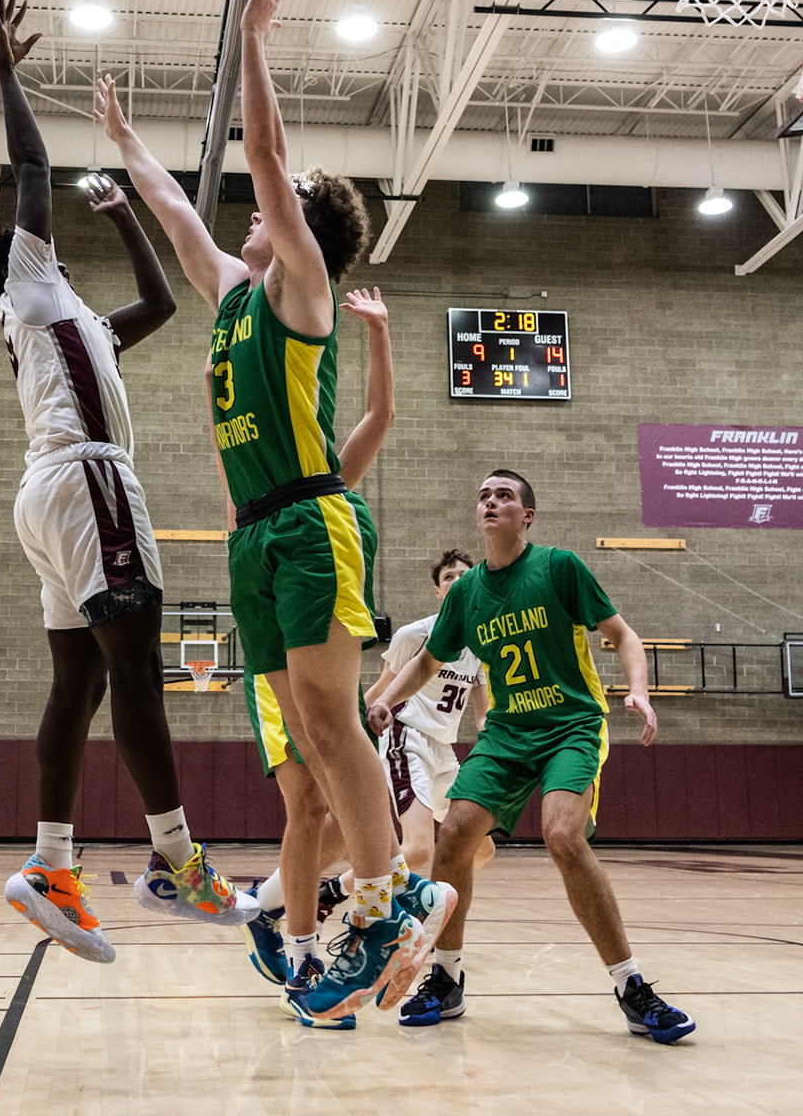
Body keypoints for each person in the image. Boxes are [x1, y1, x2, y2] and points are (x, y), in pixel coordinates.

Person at [95, 0, 452, 1024]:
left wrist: (251, 39)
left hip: (310, 517)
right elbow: (177, 216)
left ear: (300, 231)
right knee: (306, 730)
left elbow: (265, 157)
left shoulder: (303, 287)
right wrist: (126, 142)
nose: (253, 213)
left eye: (272, 209)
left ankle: (388, 902)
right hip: (253, 536)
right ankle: (376, 899)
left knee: (333, 725)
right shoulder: (234, 293)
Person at [0, 0, 252, 962]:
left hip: (50, 497)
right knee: (137, 670)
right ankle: (176, 857)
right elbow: (31, 166)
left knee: (82, 684)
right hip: (88, 484)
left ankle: (51, 862)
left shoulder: (73, 325)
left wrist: (126, 213)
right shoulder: (29, 284)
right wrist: (5, 73)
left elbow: (161, 304)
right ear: (20, 259)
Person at [372, 471, 688, 1039]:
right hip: (507, 732)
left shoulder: (559, 567)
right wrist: (386, 701)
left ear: (527, 516)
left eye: (504, 496)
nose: (491, 502)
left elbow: (623, 635)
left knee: (563, 835)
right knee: (455, 835)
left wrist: (638, 689)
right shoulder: (466, 593)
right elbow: (427, 661)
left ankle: (632, 986)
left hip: (570, 725)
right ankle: (446, 980)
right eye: (484, 496)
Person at [230, 286, 402, 1028]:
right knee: (307, 805)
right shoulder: (263, 484)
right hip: (275, 642)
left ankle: (281, 909)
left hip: (318, 635)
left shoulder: (328, 486)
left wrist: (378, 334)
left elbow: (380, 417)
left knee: (336, 801)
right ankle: (299, 952)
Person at [365, 550, 497, 882]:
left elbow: (483, 718)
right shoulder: (415, 634)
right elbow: (382, 688)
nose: (457, 581)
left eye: (464, 575)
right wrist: (345, 726)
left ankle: (430, 902)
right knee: (419, 848)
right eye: (448, 577)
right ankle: (338, 891)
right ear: (438, 591)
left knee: (482, 848)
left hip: (443, 750)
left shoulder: (481, 644)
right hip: (406, 738)